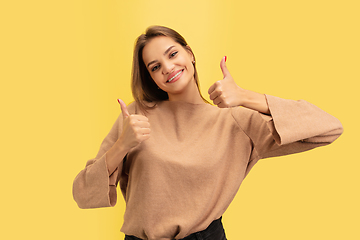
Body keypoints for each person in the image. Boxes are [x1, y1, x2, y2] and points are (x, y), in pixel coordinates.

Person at [72, 26, 343, 240]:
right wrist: (121, 146)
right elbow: (83, 195)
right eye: (155, 67)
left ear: (189, 53)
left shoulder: (234, 121)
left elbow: (328, 128)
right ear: (151, 77)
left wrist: (246, 97)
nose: (167, 68)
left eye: (172, 54)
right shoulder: (136, 116)